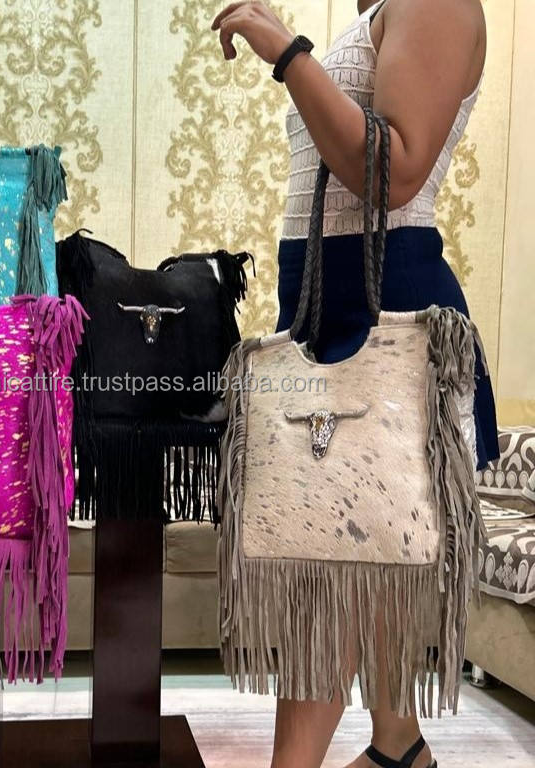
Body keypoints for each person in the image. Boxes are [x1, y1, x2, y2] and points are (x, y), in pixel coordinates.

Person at [210, 2, 498, 767]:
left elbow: (392, 170)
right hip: (331, 310)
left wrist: (286, 50)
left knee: (330, 569)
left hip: (387, 316)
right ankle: (399, 746)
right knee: (362, 559)